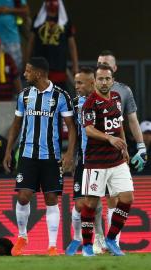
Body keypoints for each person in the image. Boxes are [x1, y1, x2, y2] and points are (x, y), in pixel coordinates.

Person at [3, 57, 76, 256]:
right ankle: (22, 236)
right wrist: (9, 150)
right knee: (23, 196)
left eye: (27, 71)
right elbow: (16, 125)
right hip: (27, 154)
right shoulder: (24, 95)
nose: (24, 74)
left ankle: (52, 245)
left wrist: (69, 153)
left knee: (51, 198)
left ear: (39, 73)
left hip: (51, 156)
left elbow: (71, 127)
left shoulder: (61, 96)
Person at [79, 64, 134, 257]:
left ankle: (111, 239)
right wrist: (109, 138)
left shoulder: (117, 99)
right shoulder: (90, 103)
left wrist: (125, 147)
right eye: (100, 79)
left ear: (112, 80)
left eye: (107, 79)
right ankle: (87, 245)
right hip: (96, 162)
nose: (104, 82)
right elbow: (89, 129)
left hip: (116, 160)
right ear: (95, 81)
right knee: (91, 204)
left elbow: (118, 125)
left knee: (127, 198)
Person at [94, 50, 147, 251]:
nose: (102, 66)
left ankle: (113, 241)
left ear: (114, 69)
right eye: (99, 63)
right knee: (90, 201)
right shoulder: (89, 90)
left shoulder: (124, 91)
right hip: (94, 153)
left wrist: (140, 146)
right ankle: (99, 240)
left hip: (115, 152)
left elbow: (131, 120)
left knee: (116, 198)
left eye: (106, 64)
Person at [65, 67, 95, 256]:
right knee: (80, 203)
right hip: (83, 159)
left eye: (80, 83)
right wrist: (70, 154)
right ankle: (78, 238)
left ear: (91, 83)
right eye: (75, 83)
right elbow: (74, 131)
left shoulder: (102, 102)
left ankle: (102, 240)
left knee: (102, 203)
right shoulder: (75, 104)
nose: (76, 87)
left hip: (102, 159)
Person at [26, 0, 78, 91]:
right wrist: (27, 61)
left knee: (59, 93)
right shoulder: (38, 20)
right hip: (40, 66)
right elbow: (31, 42)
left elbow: (72, 45)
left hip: (59, 65)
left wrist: (75, 65)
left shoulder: (65, 21)